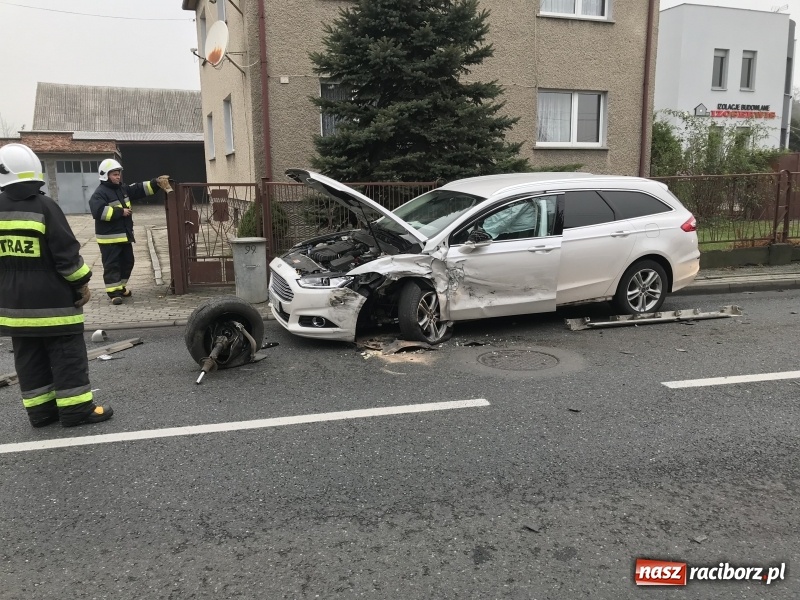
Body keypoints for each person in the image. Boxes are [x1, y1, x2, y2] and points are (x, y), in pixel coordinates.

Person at [0, 143, 112, 427]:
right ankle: (76, 412)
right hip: (54, 305)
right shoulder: (45, 207)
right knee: (66, 356)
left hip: (13, 307)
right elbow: (66, 256)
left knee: (28, 358)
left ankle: (41, 413)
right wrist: (82, 284)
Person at [89, 159, 169, 304]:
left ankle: (121, 287)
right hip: (109, 239)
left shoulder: (121, 189)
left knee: (128, 262)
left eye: (118, 174)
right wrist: (120, 212)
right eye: (114, 174)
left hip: (123, 236)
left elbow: (137, 189)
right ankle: (114, 293)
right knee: (112, 265)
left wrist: (155, 182)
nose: (117, 177)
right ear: (105, 176)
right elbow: (98, 211)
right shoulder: (99, 193)